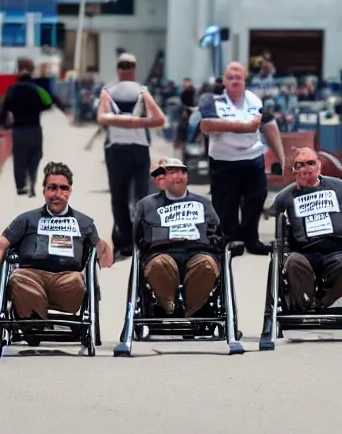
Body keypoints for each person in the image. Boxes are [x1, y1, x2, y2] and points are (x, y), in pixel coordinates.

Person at [0, 161, 113, 319]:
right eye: (52, 188)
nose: (57, 194)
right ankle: (35, 315)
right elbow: (1, 244)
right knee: (18, 278)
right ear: (44, 190)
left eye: (64, 188)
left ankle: (36, 315)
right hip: (31, 277)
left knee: (77, 281)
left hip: (68, 280)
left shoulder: (84, 223)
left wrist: (95, 272)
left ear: (70, 191)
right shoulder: (26, 219)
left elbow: (103, 252)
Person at [199, 61, 286, 255]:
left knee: (257, 197)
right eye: (231, 77)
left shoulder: (255, 100)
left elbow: (269, 126)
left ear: (245, 81)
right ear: (224, 81)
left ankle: (251, 238)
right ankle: (232, 240)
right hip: (224, 161)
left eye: (239, 77)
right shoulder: (211, 100)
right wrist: (245, 126)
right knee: (226, 205)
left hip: (252, 158)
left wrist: (281, 156)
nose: (235, 80)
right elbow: (207, 125)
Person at [97, 52, 166, 258]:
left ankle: (135, 237)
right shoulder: (110, 92)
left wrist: (125, 122)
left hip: (131, 148)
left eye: (128, 66)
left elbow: (159, 119)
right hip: (122, 148)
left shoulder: (137, 92)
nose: (126, 69)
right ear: (119, 69)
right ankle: (124, 237)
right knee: (123, 196)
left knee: (139, 197)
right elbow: (102, 118)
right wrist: (137, 122)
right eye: (124, 66)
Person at [133, 157, 222, 317]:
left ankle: (193, 309)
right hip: (161, 253)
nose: (178, 176)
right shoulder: (147, 205)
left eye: (183, 172)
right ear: (163, 179)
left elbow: (216, 232)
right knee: (159, 265)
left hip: (198, 251)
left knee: (207, 265)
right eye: (172, 172)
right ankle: (168, 306)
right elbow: (137, 236)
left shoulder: (203, 203)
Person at [269, 147, 342, 311]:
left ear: (319, 166)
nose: (306, 169)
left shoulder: (337, 187)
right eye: (299, 165)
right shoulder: (286, 195)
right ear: (294, 170)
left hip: (336, 249)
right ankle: (305, 302)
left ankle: (324, 300)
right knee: (293, 263)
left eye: (310, 163)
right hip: (304, 251)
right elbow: (270, 211)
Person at [0, 58, 65, 198]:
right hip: (34, 128)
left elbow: (4, 109)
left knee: (19, 158)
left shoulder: (11, 90)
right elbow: (49, 102)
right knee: (35, 156)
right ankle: (32, 180)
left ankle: (21, 185)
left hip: (18, 130)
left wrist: (1, 124)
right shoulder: (37, 89)